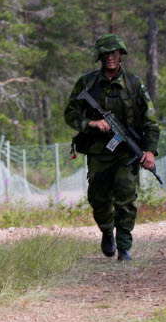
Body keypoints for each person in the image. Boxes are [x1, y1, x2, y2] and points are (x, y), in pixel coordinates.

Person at [64, 34, 160, 261]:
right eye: (106, 54)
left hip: (127, 153)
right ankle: (107, 230)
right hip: (99, 152)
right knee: (98, 199)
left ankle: (124, 246)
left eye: (114, 54)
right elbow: (70, 113)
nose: (110, 58)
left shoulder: (134, 84)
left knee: (126, 197)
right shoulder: (87, 84)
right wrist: (91, 124)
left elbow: (150, 121)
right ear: (100, 57)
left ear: (121, 56)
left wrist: (149, 151)